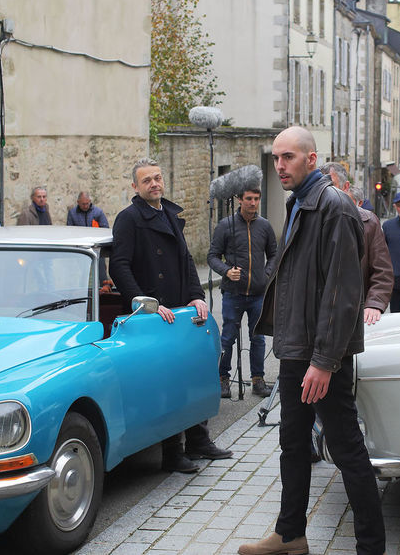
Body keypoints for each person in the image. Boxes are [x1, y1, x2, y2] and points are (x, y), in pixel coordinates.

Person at [241, 127, 383, 555]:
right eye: (277, 158)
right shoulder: (299, 202)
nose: (280, 165)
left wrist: (324, 361)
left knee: (347, 451)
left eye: (289, 157)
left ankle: (371, 548)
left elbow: (343, 293)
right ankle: (290, 536)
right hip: (295, 348)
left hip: (321, 355)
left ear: (312, 159)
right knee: (292, 443)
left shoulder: (334, 208)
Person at [110, 158, 232, 474]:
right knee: (165, 385)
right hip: (152, 316)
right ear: (135, 187)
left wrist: (196, 296)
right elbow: (119, 266)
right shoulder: (128, 219)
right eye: (147, 180)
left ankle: (198, 440)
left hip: (179, 311)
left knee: (190, 375)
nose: (154, 184)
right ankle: (172, 452)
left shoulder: (170, 214)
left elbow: (186, 261)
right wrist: (145, 303)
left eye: (158, 177)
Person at [208, 186, 277, 398]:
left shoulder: (264, 226)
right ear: (239, 200)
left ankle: (258, 379)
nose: (253, 203)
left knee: (258, 338)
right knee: (227, 338)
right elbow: (212, 256)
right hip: (233, 293)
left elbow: (274, 254)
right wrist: (227, 271)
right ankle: (223, 379)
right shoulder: (225, 226)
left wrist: (266, 274)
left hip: (257, 294)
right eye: (249, 199)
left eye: (256, 199)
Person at [321, 163, 393, 325]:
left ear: (346, 187)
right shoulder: (309, 219)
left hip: (353, 314)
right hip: (317, 315)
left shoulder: (368, 221)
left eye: (332, 186)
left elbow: (383, 272)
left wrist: (374, 304)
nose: (325, 193)